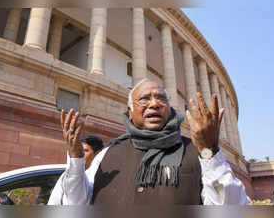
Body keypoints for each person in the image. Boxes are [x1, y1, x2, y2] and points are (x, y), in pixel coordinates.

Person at [52, 79, 248, 205]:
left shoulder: (195, 151)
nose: (154, 103)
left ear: (169, 108)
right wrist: (76, 160)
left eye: (161, 98)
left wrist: (209, 150)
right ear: (130, 111)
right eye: (144, 99)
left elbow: (231, 206)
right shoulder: (107, 154)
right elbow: (76, 204)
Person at [48, 135, 104, 205]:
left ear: (97, 153)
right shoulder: (65, 175)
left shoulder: (97, 177)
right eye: (79, 151)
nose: (80, 154)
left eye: (85, 151)